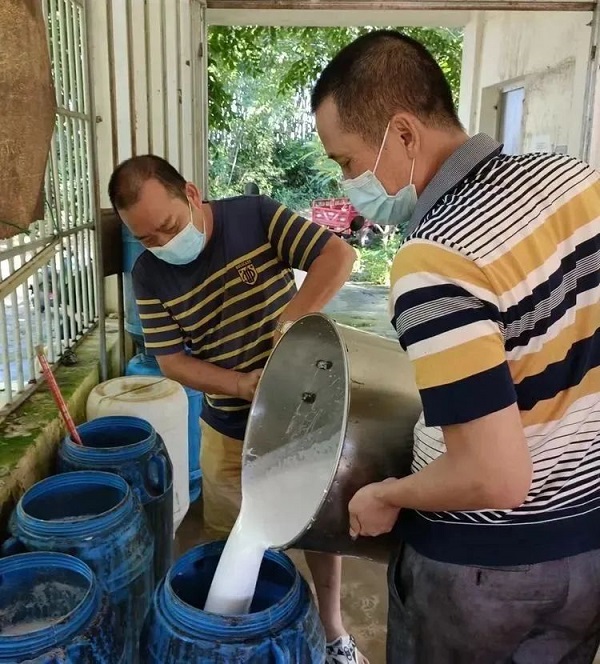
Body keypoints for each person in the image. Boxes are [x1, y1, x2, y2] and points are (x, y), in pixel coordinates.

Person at [312, 29, 600, 664]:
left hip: (483, 573)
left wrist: (386, 495)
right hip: (586, 551)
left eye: (348, 162)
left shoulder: (436, 259)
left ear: (404, 134)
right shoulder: (578, 182)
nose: (348, 182)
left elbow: (493, 476)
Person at [108, 155, 367, 664]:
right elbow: (173, 362)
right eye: (147, 238)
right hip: (227, 427)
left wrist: (287, 326)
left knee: (320, 529)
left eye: (169, 226)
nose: (163, 243)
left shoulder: (253, 216)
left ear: (191, 193)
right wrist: (242, 385)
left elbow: (337, 256)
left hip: (300, 414)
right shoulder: (148, 275)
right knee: (232, 536)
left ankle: (333, 631)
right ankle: (240, 642)